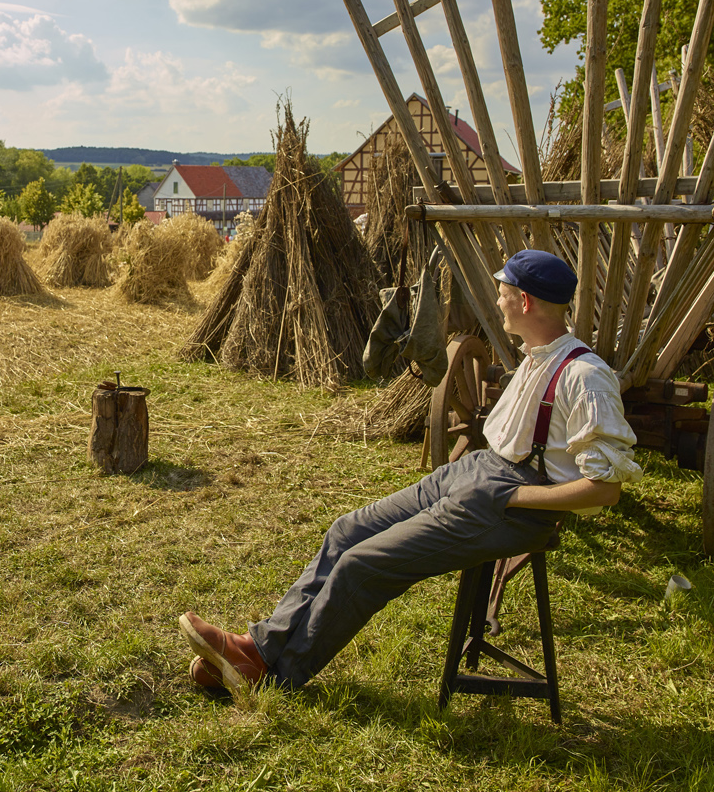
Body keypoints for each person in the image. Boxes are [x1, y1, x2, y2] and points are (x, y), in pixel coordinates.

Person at [180, 249, 642, 693]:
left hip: (515, 505)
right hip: (480, 470)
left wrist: (511, 498)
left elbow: (605, 490)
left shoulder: (585, 377)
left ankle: (280, 676)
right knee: (346, 532)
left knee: (362, 566)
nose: (498, 299)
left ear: (524, 301)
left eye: (503, 291)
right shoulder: (536, 354)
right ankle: (256, 650)